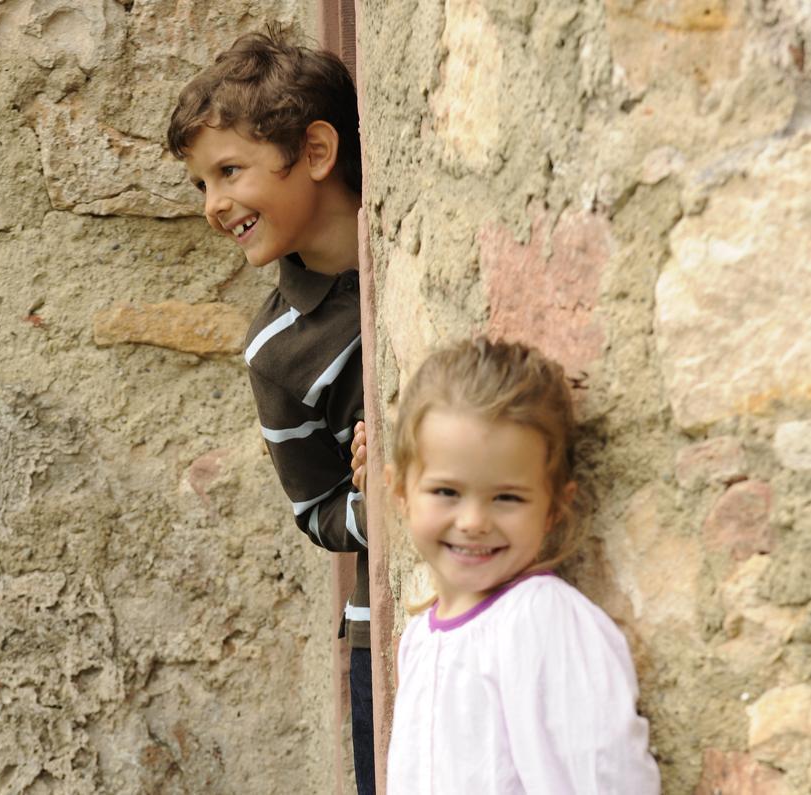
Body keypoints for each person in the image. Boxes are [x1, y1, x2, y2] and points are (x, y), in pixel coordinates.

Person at [167, 27, 375, 794]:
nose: (215, 205)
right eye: (201, 184)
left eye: (228, 171)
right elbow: (317, 508)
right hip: (380, 645)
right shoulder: (274, 348)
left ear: (315, 153)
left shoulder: (415, 247)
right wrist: (374, 502)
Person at [354, 337, 660, 793]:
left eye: (508, 498)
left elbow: (607, 779)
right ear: (400, 493)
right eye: (446, 492)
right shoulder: (418, 640)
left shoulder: (542, 621)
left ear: (555, 506)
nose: (474, 521)